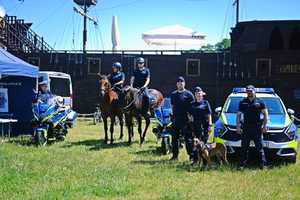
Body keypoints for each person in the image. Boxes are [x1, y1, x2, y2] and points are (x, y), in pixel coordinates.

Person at [236, 85, 268, 169]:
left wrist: (265, 126)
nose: (249, 92)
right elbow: (238, 115)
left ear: (254, 91)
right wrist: (238, 126)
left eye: (250, 90)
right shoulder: (242, 102)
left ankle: (263, 165)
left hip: (257, 128)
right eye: (247, 91)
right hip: (246, 127)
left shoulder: (260, 101)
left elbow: (265, 114)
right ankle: (242, 165)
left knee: (260, 147)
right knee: (244, 147)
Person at [170, 76, 194, 161]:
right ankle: (175, 156)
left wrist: (191, 119)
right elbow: (172, 106)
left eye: (182, 82)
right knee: (174, 139)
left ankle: (191, 156)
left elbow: (192, 107)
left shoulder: (189, 94)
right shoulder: (173, 94)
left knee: (188, 140)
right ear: (177, 84)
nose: (180, 84)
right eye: (178, 82)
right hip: (176, 119)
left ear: (184, 83)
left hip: (186, 120)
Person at [188, 86, 212, 164]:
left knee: (203, 144)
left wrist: (210, 124)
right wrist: (191, 123)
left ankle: (205, 161)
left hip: (205, 126)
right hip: (195, 127)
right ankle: (195, 160)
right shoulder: (192, 104)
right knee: (195, 145)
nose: (198, 95)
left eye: (199, 93)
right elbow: (190, 115)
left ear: (202, 94)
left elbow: (209, 114)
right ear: (195, 95)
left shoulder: (206, 103)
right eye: (196, 93)